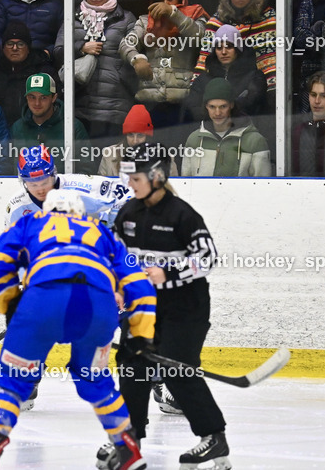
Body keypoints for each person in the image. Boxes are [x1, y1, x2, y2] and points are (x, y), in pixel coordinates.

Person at [0, 188, 155, 470]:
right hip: (97, 306)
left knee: (13, 380)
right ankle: (128, 451)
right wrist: (140, 337)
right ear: (80, 213)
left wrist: (11, 302)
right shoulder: (102, 233)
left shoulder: (30, 222)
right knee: (95, 380)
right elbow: (142, 288)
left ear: (46, 211)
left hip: (42, 301)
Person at [113, 143, 231, 470]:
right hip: (144, 306)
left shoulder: (183, 215)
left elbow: (208, 257)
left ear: (157, 176)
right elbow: (113, 258)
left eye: (135, 178)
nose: (130, 184)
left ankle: (213, 437)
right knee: (132, 366)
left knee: (176, 367)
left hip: (186, 307)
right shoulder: (128, 213)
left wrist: (170, 271)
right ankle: (129, 441)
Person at [54, 0, 137, 140]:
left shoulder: (126, 19)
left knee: (112, 158)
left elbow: (135, 52)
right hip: (81, 102)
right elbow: (58, 52)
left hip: (115, 102)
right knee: (85, 158)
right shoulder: (73, 19)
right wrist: (81, 47)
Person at [120, 0, 209, 130]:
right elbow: (126, 43)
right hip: (150, 102)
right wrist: (137, 59)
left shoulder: (195, 16)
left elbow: (200, 38)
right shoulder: (145, 21)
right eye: (161, 0)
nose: (165, 4)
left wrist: (174, 13)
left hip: (184, 103)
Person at [4, 143, 133, 232]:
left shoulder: (80, 185)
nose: (40, 190)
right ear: (23, 182)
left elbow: (128, 191)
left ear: (53, 174)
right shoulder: (17, 207)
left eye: (44, 182)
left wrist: (110, 226)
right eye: (33, 184)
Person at [194, 0, 277, 103]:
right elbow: (204, 60)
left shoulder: (269, 18)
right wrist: (195, 94)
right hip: (226, 93)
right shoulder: (216, 22)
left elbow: (275, 59)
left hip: (269, 91)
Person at [181, 78, 271, 177]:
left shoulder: (255, 141)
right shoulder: (194, 139)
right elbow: (186, 182)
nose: (217, 113)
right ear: (206, 106)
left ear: (231, 105)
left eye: (223, 106)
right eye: (212, 107)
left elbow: (263, 186)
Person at [183, 24, 268, 126]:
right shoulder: (203, 79)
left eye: (229, 46)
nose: (224, 52)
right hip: (210, 135)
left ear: (238, 49)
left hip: (244, 133)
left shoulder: (254, 77)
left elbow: (253, 104)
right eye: (219, 48)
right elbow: (192, 107)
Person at [0, 20, 56, 126]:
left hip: (32, 135)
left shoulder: (44, 74)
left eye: (20, 44)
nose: (15, 48)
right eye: (10, 44)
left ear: (28, 48)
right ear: (3, 48)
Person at [10, 72, 88, 168]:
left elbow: (86, 170)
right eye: (32, 97)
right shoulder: (17, 128)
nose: (37, 103)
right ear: (26, 98)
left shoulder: (72, 126)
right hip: (27, 182)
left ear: (53, 98)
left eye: (43, 97)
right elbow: (11, 169)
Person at [98, 104, 178, 179]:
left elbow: (175, 187)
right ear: (125, 136)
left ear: (148, 137)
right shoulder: (109, 154)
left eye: (140, 135)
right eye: (130, 135)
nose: (135, 141)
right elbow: (99, 188)